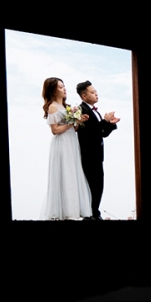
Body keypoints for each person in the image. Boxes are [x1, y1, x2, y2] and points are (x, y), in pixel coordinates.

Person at [41, 78, 93, 220]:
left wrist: (79, 121)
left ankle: (73, 210)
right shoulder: (52, 106)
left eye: (64, 86)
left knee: (72, 172)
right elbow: (55, 130)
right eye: (60, 87)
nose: (64, 89)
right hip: (62, 143)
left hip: (71, 142)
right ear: (53, 90)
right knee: (65, 172)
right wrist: (72, 122)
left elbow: (73, 128)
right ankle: (65, 211)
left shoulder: (65, 107)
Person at [73, 80, 119, 220]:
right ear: (84, 96)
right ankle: (91, 214)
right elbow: (90, 133)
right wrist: (104, 122)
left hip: (97, 155)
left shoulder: (94, 111)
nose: (96, 94)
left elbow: (102, 133)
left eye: (96, 91)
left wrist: (109, 124)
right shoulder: (82, 110)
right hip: (88, 155)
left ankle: (94, 212)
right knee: (92, 185)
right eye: (92, 92)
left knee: (98, 185)